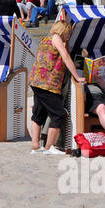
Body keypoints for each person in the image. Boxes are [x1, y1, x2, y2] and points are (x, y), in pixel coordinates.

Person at [29, 15, 86, 154]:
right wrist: (77, 76)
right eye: (68, 33)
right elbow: (65, 57)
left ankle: (35, 146)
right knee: (58, 114)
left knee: (38, 114)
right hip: (48, 83)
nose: (69, 36)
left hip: (36, 81)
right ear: (63, 31)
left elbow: (54, 59)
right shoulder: (56, 38)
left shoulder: (45, 39)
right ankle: (49, 147)